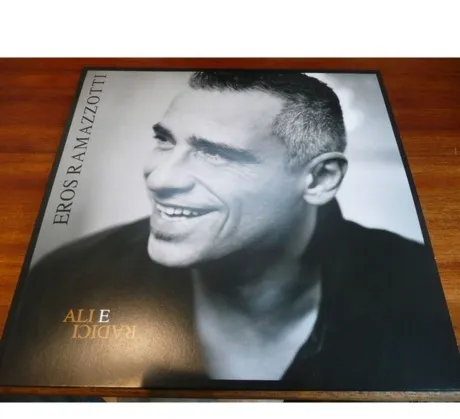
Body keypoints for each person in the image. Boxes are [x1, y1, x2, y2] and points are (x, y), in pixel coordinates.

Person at [1, 71, 460, 391]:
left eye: (215, 153)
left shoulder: (423, 291)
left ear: (319, 179)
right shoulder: (67, 280)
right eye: (164, 139)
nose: (159, 179)